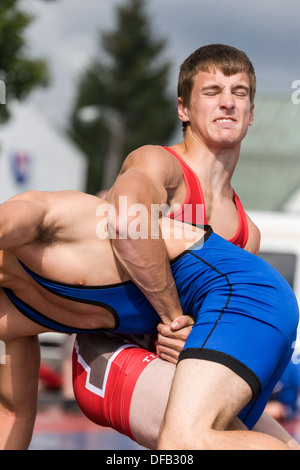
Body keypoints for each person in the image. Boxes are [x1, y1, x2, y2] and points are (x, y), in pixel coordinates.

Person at [73, 44, 297, 447]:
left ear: (251, 114)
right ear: (183, 109)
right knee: (201, 441)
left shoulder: (248, 233)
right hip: (108, 352)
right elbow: (125, 216)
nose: (228, 103)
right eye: (212, 92)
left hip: (178, 363)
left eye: (240, 93)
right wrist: (174, 319)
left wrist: (188, 335)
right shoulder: (160, 165)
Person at [0, 189, 298, 450]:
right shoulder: (8, 322)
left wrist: (176, 321)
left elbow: (11, 221)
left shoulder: (37, 218)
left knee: (183, 441)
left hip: (239, 294)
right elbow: (14, 412)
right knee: (210, 439)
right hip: (211, 322)